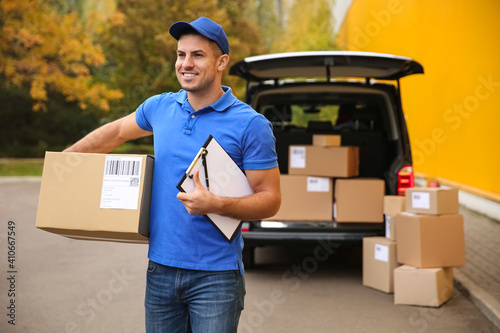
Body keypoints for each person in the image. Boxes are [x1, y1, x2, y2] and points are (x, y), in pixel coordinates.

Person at [64, 16, 281, 333]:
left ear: (222, 62)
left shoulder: (251, 124)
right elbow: (116, 133)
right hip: (160, 270)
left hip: (216, 276)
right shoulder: (160, 107)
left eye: (198, 55)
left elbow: (270, 200)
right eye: (181, 54)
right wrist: (67, 161)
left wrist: (216, 203)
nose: (186, 63)